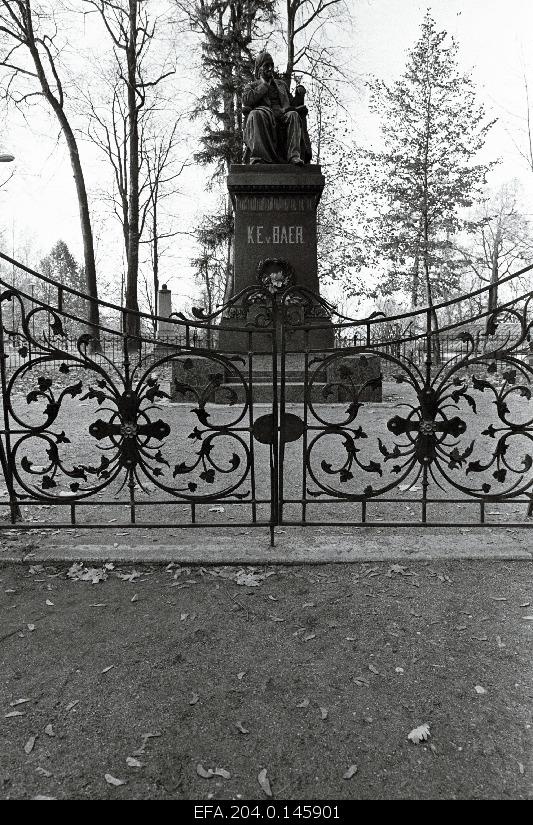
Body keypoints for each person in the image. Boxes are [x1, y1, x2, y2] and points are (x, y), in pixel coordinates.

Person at [242, 52, 306, 165]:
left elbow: (293, 103)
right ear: (259, 68)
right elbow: (246, 100)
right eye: (266, 65)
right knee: (256, 114)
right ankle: (260, 157)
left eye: (272, 65)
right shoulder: (252, 86)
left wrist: (299, 95)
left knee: (293, 115)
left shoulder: (281, 85)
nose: (270, 68)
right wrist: (265, 85)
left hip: (283, 115)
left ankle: (293, 156)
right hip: (265, 115)